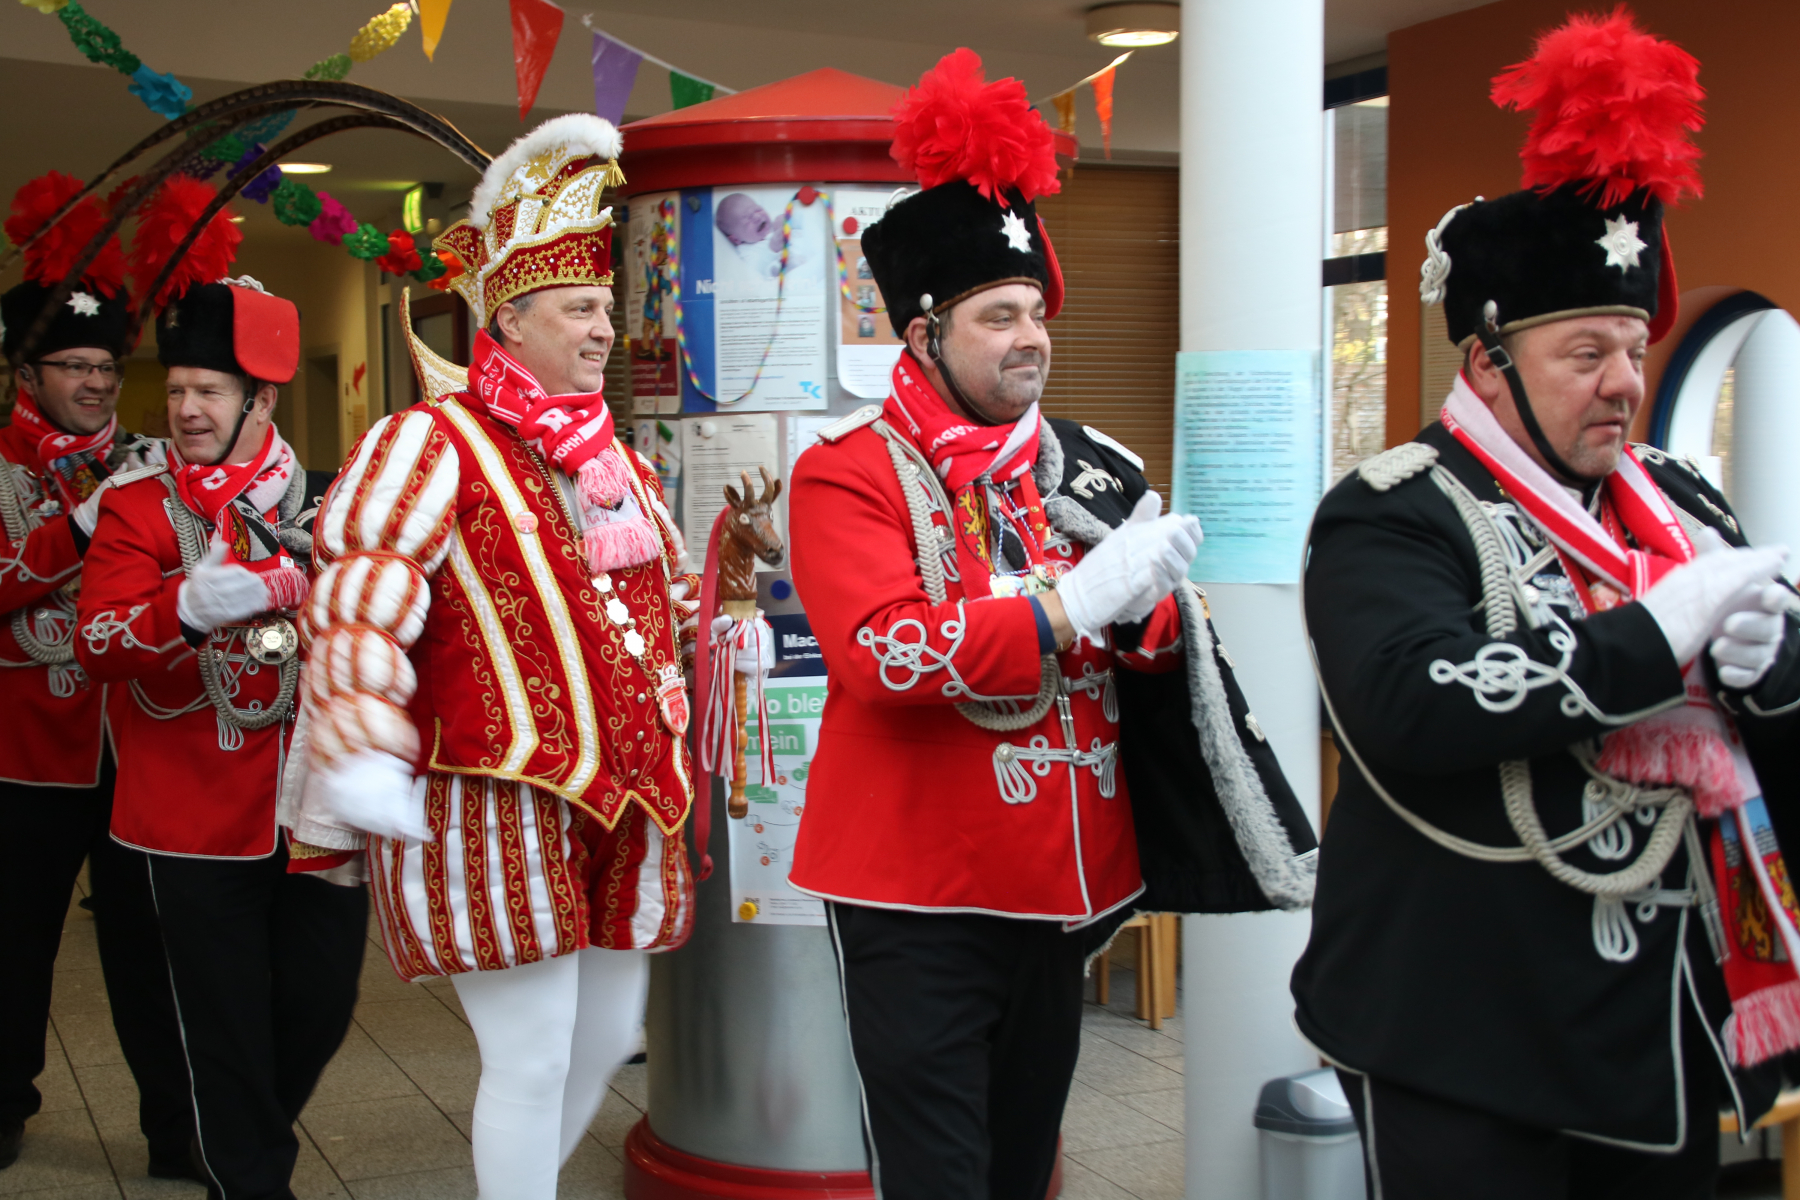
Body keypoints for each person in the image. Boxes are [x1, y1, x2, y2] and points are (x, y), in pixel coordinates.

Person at [785, 49, 1316, 1200]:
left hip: (1065, 885)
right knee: (940, 1177)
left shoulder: (1089, 465)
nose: (1030, 335)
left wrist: (1150, 617)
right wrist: (1071, 603)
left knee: (1025, 1169)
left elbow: (1165, 651)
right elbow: (882, 656)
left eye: (1036, 311)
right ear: (922, 336)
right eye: (998, 316)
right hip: (915, 894)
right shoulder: (846, 472)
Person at [1291, 13, 1800, 1198]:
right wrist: (1657, 635)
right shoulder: (1392, 511)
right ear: (1487, 362)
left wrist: (1775, 670)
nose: (1624, 384)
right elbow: (1407, 702)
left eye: (1634, 350)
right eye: (1585, 354)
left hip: (1663, 1021)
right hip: (1463, 1027)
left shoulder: (1679, 502)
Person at [300, 113, 701, 1200]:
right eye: (579, 309)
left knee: (605, 1036)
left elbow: (658, 604)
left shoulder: (614, 461)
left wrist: (731, 621)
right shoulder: (430, 439)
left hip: (628, 797)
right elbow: (362, 589)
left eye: (607, 307)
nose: (604, 329)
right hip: (494, 798)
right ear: (510, 320)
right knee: (528, 1059)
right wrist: (361, 742)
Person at [74, 236, 366, 1199]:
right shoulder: (136, 508)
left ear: (262, 401)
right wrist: (188, 607)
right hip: (188, 816)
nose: (186, 409)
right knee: (224, 1024)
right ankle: (249, 1177)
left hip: (316, 813)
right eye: (178, 389)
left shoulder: (333, 501)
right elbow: (97, 642)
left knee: (321, 1002)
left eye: (209, 391)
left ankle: (234, 1132)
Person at [0, 172, 192, 1177]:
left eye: (108, 368)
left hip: (137, 746)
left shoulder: (156, 460)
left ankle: (177, 1130)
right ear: (23, 371)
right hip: (24, 754)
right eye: (74, 366)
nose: (96, 384)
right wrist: (80, 527)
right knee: (13, 946)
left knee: (150, 950)